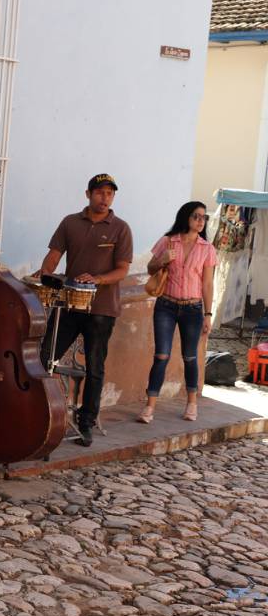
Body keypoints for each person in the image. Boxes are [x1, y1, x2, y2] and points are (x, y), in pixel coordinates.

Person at [38, 174, 133, 447]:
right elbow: (55, 254)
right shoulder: (70, 222)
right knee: (46, 356)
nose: (105, 198)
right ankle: (41, 412)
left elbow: (123, 270)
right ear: (88, 194)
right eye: (100, 193)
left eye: (110, 194)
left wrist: (98, 279)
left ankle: (86, 421)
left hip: (102, 308)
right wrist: (46, 272)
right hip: (68, 303)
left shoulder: (121, 228)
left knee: (95, 366)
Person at [137, 202, 216, 423]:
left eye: (204, 217)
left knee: (190, 357)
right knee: (161, 355)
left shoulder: (207, 248)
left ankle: (192, 403)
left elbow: (207, 284)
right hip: (166, 306)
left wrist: (208, 314)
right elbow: (150, 269)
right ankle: (149, 407)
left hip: (193, 308)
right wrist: (162, 260)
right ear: (185, 217)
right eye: (196, 216)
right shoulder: (167, 241)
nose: (201, 221)